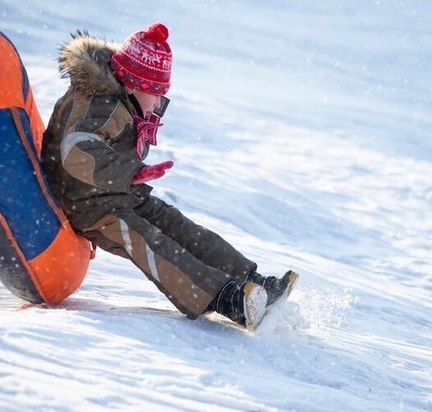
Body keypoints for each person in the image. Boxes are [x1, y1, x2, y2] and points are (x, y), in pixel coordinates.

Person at [41, 23, 298, 330]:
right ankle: (225, 299)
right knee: (150, 243)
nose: (159, 103)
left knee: (180, 227)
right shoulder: (101, 104)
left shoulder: (123, 99)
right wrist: (133, 170)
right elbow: (76, 150)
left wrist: (132, 175)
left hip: (116, 192)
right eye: (157, 93)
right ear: (135, 84)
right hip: (86, 204)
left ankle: (252, 283)